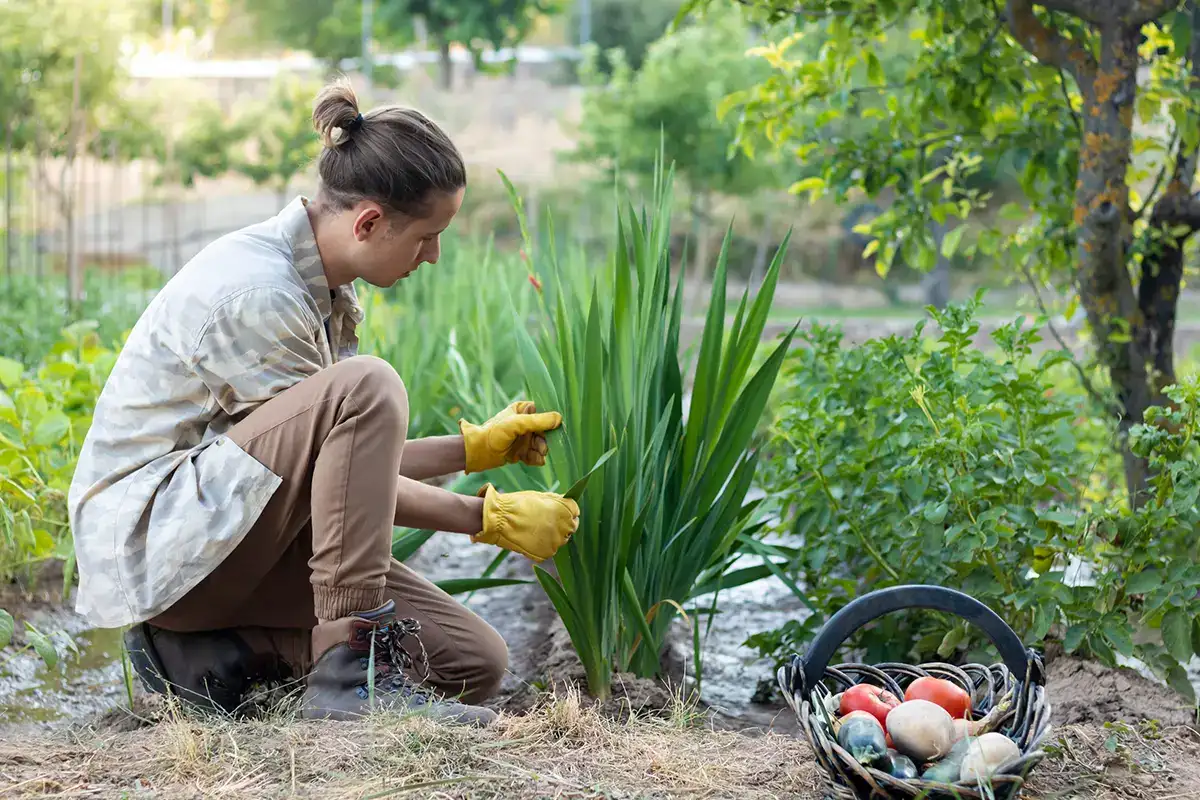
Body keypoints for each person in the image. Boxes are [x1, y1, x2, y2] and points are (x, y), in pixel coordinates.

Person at [66, 77, 580, 727]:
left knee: (469, 661)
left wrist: (469, 450)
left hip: (221, 539)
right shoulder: (259, 292)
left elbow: (333, 467)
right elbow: (321, 469)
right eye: (427, 236)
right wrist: (484, 518)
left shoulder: (318, 288)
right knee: (368, 383)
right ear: (368, 221)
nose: (434, 256)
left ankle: (214, 656)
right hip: (165, 554)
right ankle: (346, 675)